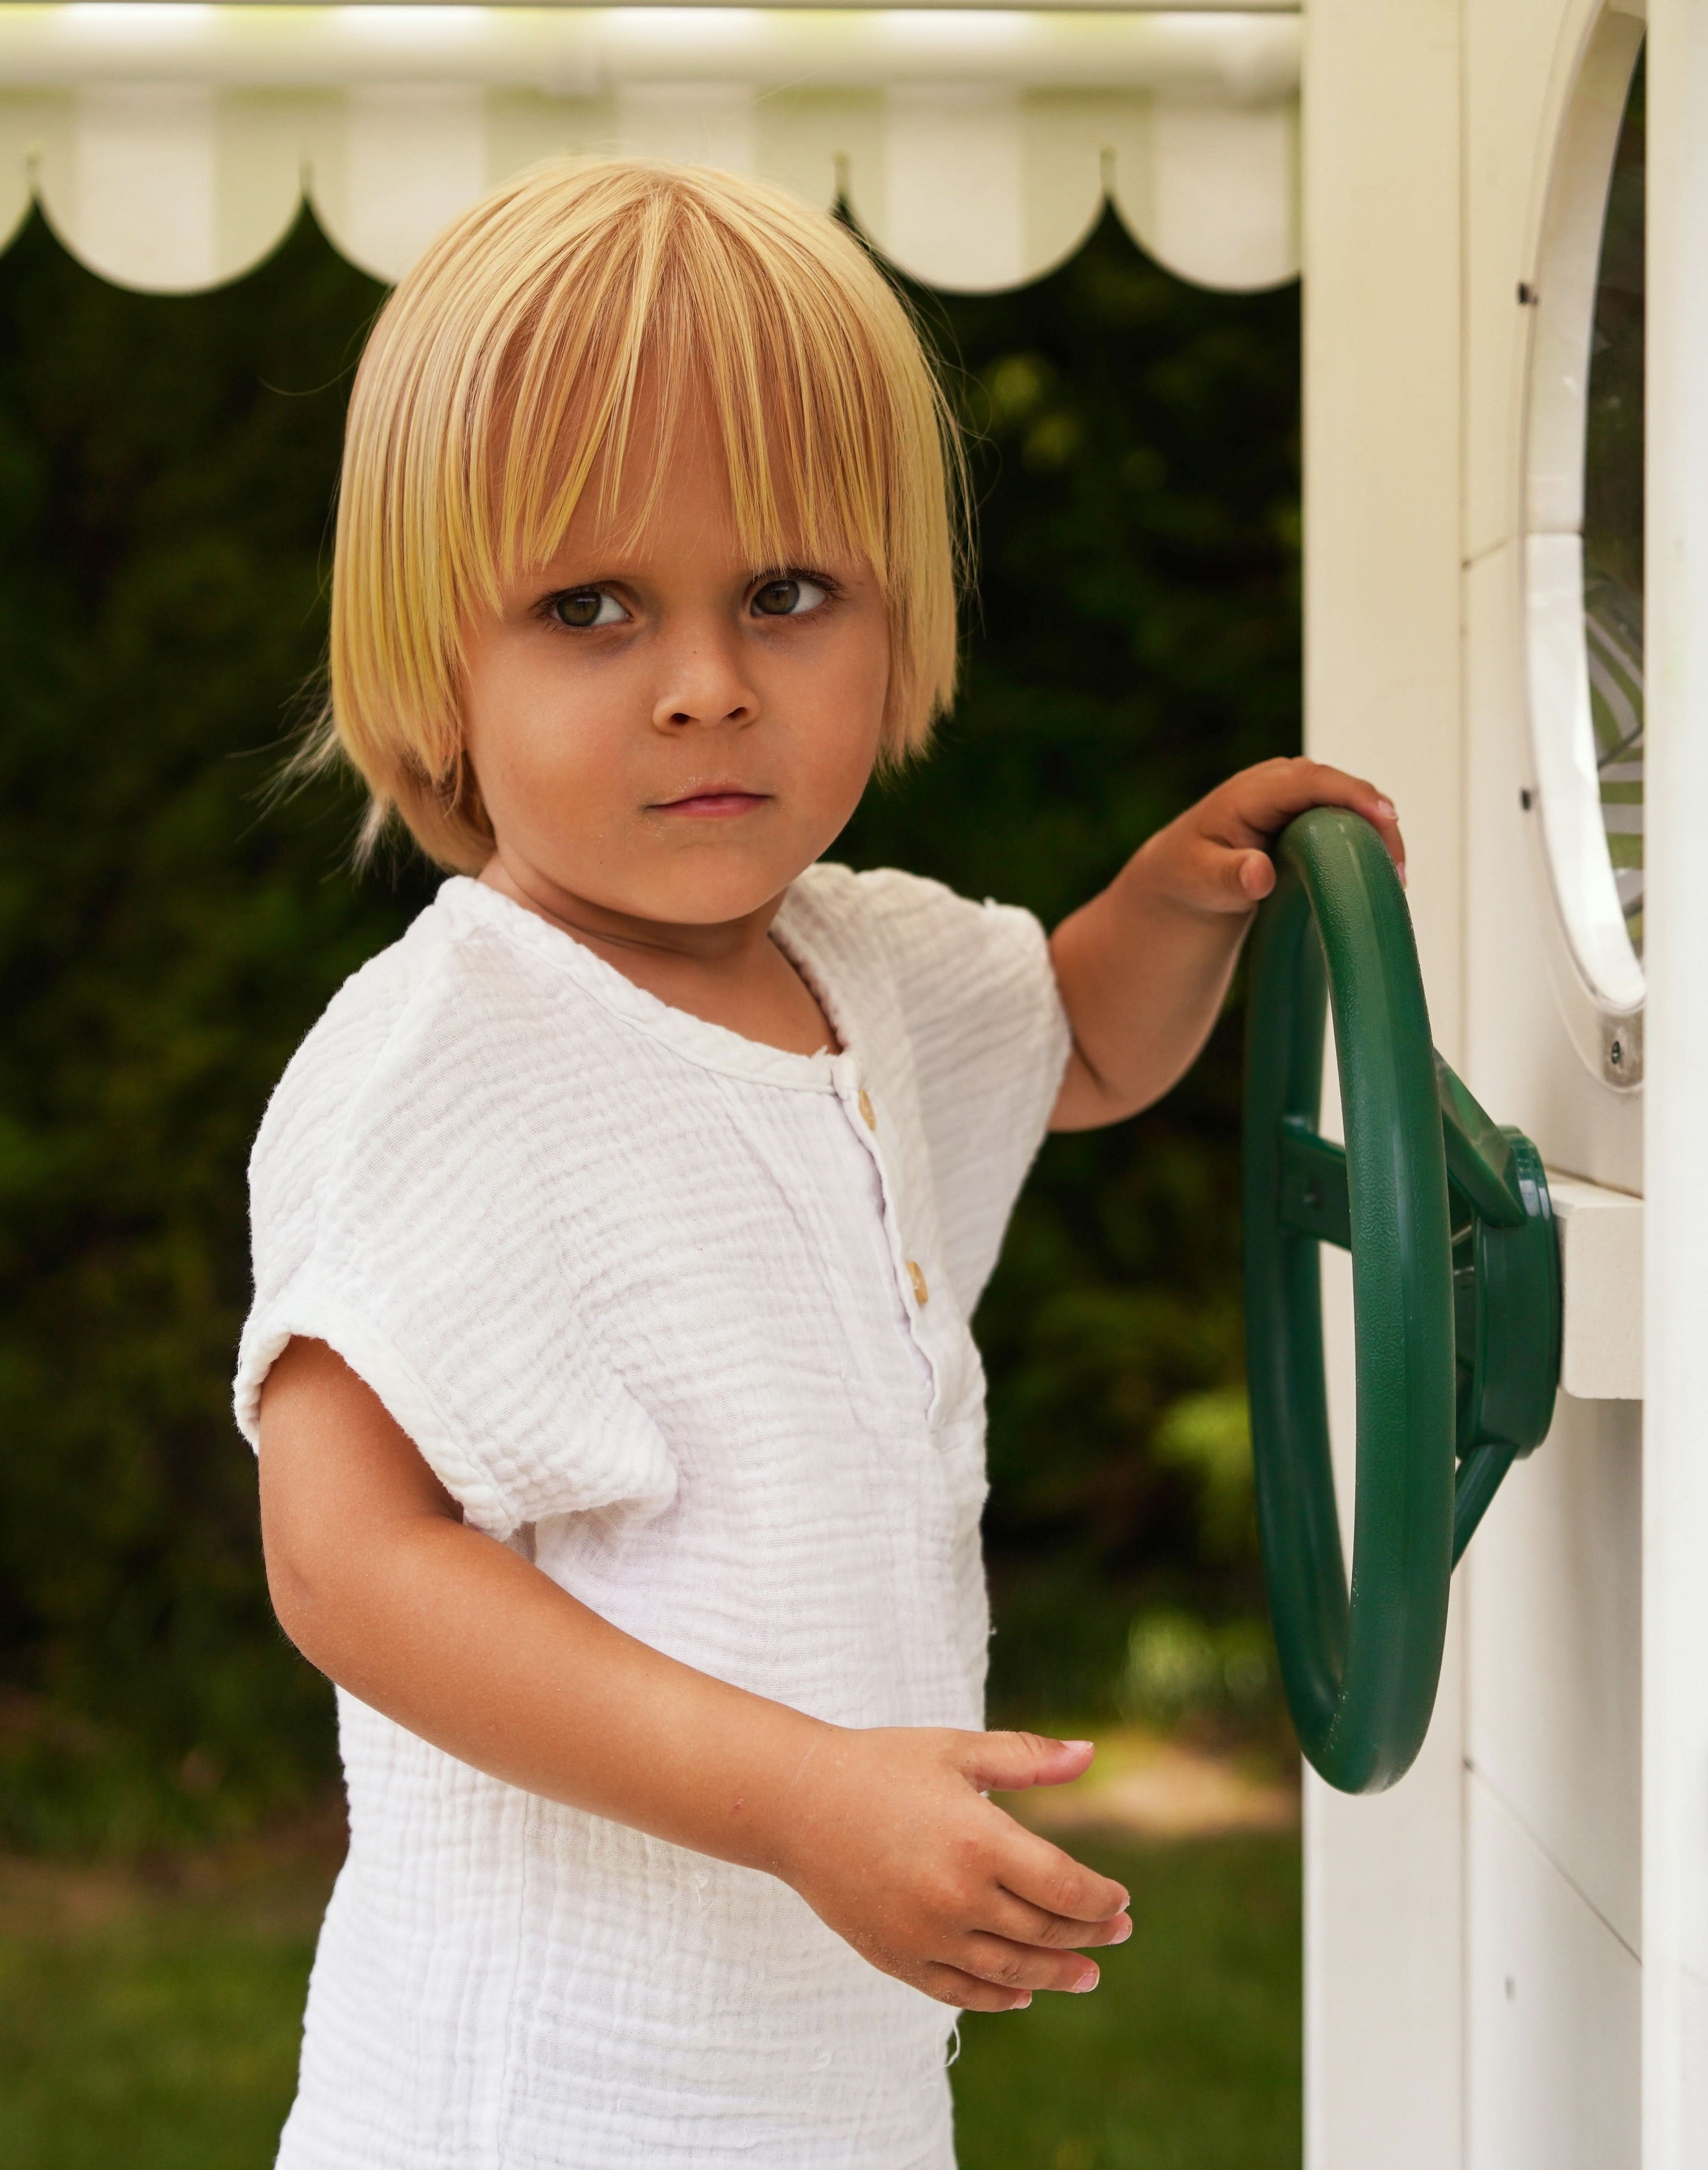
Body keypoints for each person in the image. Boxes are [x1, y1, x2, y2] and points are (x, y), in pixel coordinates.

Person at [239, 157, 1403, 2169]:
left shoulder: (868, 963)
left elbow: (1080, 1045)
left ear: (899, 616)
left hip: (809, 2091)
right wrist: (798, 1796)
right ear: (439, 659)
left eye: (786, 593)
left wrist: (1184, 898)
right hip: (538, 2100)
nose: (707, 678)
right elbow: (348, 1560)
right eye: (590, 608)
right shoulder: (456, 1054)